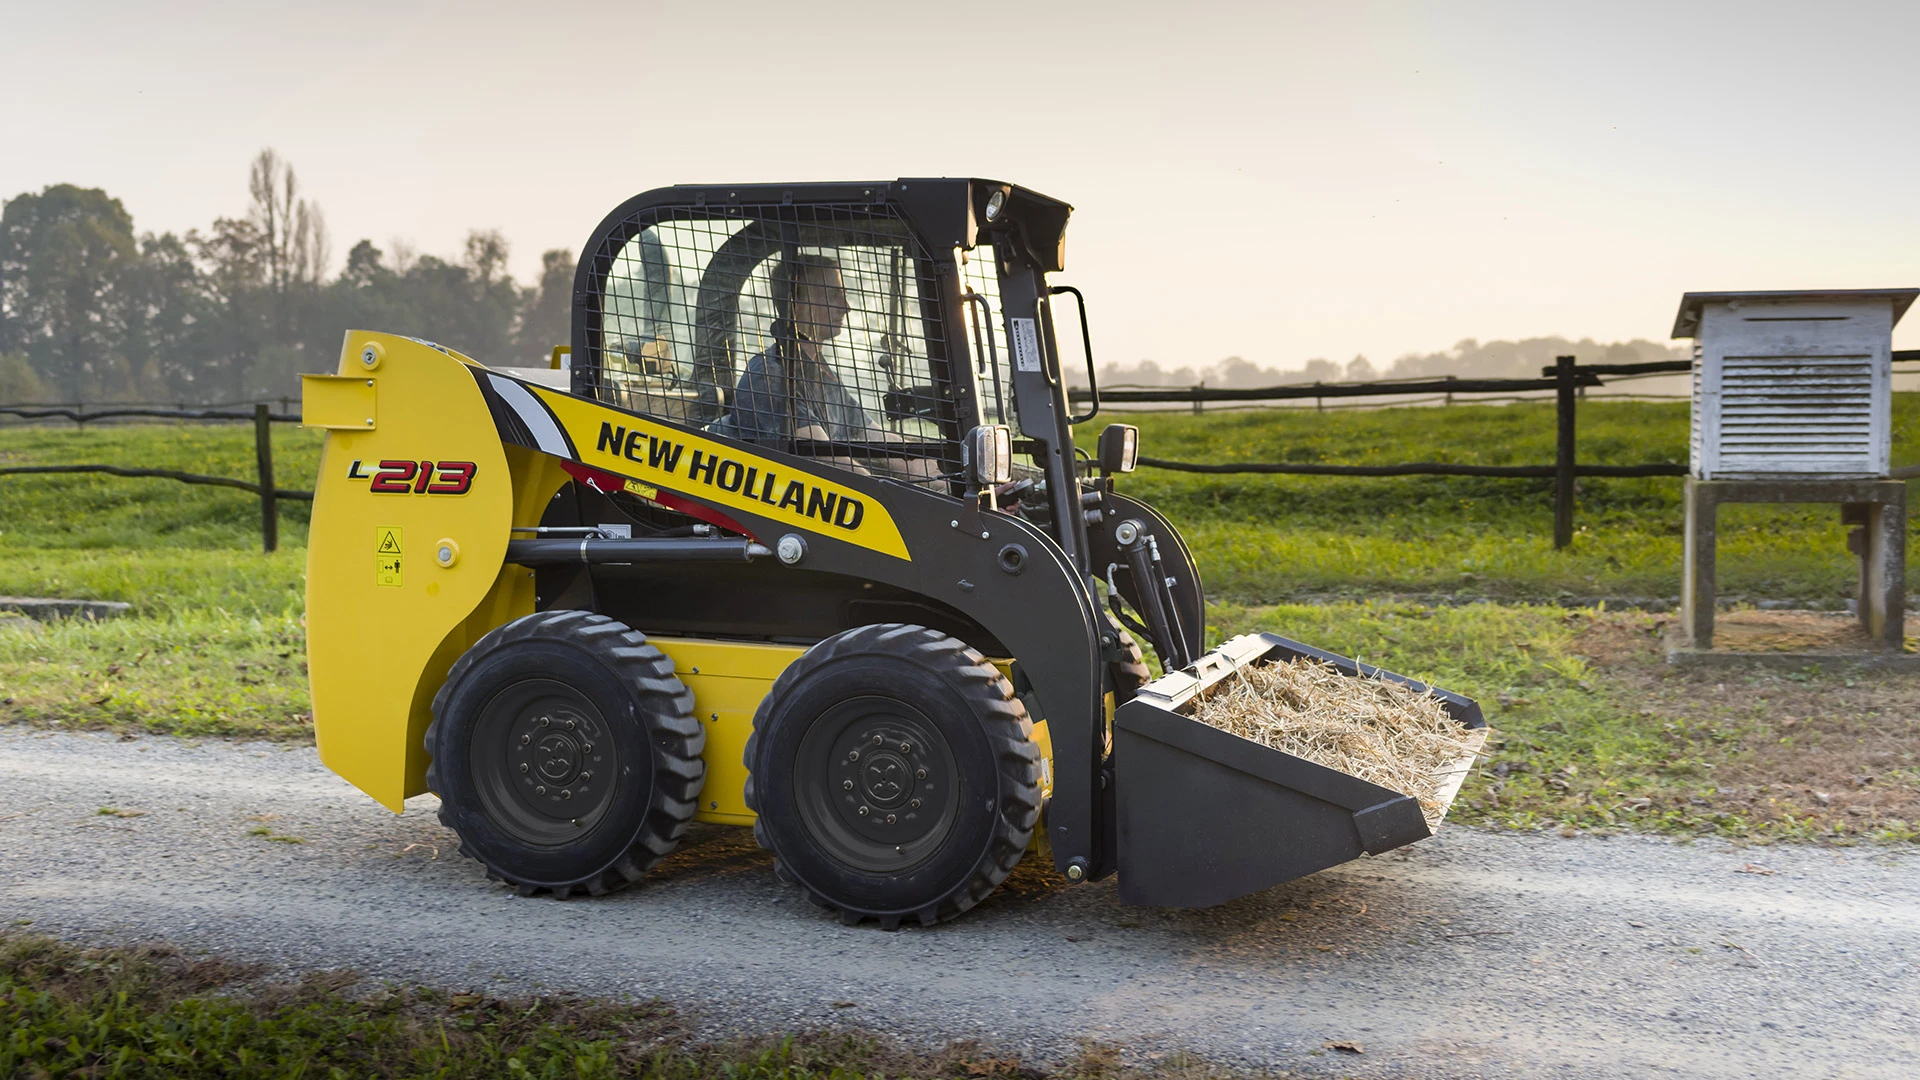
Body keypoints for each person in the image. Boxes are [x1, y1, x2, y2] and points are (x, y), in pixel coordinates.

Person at [713, 254, 935, 478]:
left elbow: (879, 439)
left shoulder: (821, 374)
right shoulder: (771, 374)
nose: (846, 307)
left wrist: (942, 476)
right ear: (795, 302)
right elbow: (825, 458)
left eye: (843, 296)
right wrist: (887, 495)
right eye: (833, 296)